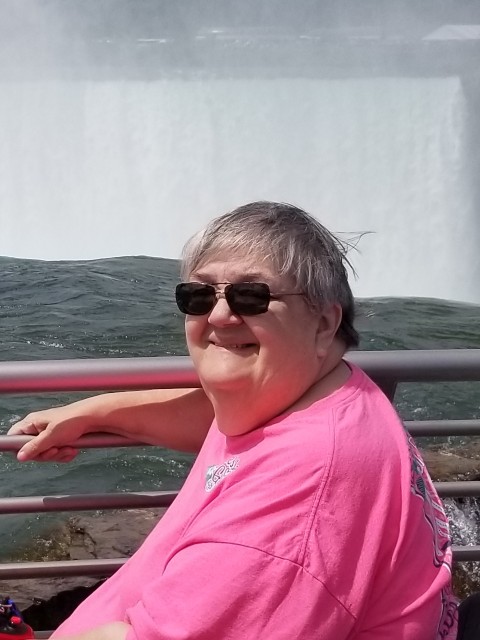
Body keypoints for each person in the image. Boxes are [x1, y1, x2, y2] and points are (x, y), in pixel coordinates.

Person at [9, 201, 457, 640]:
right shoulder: (322, 395)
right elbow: (219, 418)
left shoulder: (295, 507)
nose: (220, 315)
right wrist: (94, 411)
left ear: (323, 324)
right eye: (199, 295)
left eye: (252, 296)